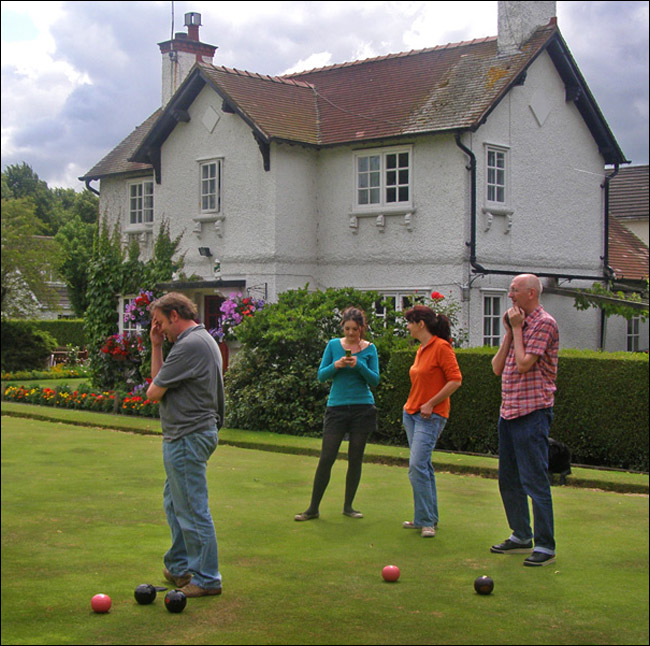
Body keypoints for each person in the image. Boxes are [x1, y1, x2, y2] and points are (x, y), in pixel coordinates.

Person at [146, 292, 225, 597]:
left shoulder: (190, 345)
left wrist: (161, 350)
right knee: (175, 501)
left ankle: (206, 578)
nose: (160, 329)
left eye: (162, 323)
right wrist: (156, 346)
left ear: (175, 315)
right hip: (192, 433)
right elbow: (159, 382)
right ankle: (179, 565)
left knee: (191, 507)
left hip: (187, 436)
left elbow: (153, 392)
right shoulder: (200, 339)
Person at [490, 274, 559, 567]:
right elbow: (497, 367)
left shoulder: (545, 323)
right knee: (508, 480)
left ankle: (545, 545)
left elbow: (523, 364)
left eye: (514, 291)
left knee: (535, 481)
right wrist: (508, 331)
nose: (510, 296)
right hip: (509, 413)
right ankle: (521, 534)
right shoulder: (515, 324)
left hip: (533, 413)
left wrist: (517, 329)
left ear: (531, 293)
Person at [294, 307, 380, 521]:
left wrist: (359, 365)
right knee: (327, 457)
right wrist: (337, 365)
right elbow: (321, 375)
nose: (351, 333)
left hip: (362, 408)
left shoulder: (370, 349)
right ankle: (313, 508)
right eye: (348, 328)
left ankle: (348, 506)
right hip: (337, 408)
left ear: (362, 328)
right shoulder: (333, 345)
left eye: (355, 329)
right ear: (343, 326)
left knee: (355, 458)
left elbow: (375, 380)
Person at [402, 305, 462, 538]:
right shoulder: (422, 349)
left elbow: (455, 380)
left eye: (409, 322)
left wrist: (430, 403)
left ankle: (426, 521)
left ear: (420, 324)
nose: (407, 327)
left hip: (431, 415)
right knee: (422, 466)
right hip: (412, 414)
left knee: (417, 465)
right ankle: (425, 518)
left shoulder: (442, 347)